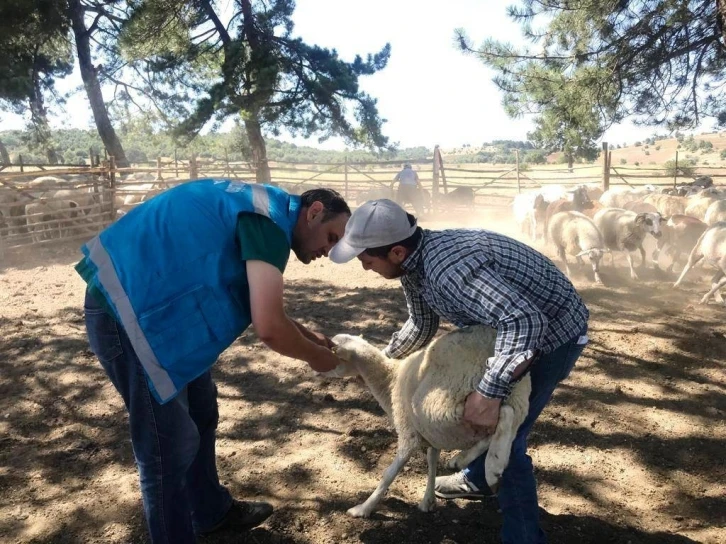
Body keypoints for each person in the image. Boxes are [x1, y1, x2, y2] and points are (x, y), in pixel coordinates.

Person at [75, 179, 347, 543]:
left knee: (202, 411)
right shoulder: (268, 224)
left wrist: (310, 336)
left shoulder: (266, 210)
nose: (328, 251)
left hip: (158, 312)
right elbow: (269, 327)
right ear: (314, 213)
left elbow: (259, 304)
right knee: (166, 447)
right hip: (130, 314)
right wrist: (318, 359)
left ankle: (208, 511)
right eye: (331, 237)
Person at [329, 199, 589, 544]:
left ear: (394, 252)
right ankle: (477, 478)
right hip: (502, 331)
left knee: (506, 434)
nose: (364, 267)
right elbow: (422, 323)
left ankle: (523, 537)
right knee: (492, 420)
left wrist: (489, 393)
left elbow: (525, 321)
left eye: (367, 258)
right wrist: (379, 364)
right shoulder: (413, 266)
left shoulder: (447, 269)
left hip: (551, 336)